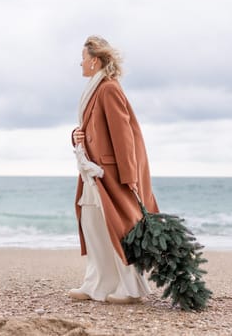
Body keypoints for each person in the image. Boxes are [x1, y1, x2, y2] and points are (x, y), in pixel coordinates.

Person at [69, 35, 160, 304]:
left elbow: (125, 135)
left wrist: (129, 176)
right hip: (92, 172)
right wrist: (76, 134)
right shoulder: (94, 90)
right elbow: (90, 130)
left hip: (109, 173)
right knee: (92, 224)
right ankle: (97, 284)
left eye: (83, 59)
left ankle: (132, 289)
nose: (80, 63)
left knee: (118, 229)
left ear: (94, 61)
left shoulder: (109, 89)